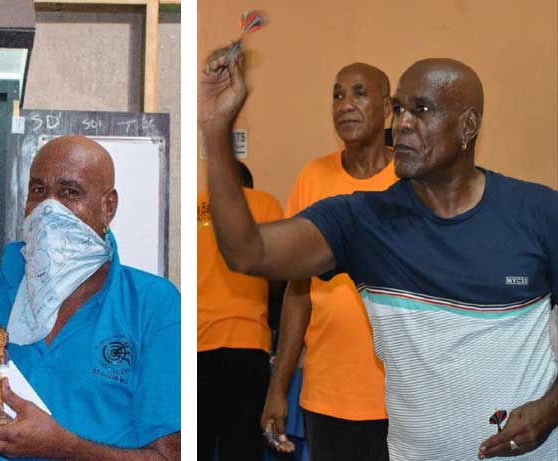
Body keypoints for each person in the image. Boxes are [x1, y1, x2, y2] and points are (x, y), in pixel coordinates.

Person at [199, 48, 558, 460]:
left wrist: (549, 409)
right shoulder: (364, 221)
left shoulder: (538, 214)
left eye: (421, 110)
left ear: (468, 125)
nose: (402, 124)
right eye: (401, 109)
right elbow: (248, 253)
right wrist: (215, 128)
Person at [0, 135, 181, 461]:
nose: (48, 208)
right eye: (38, 190)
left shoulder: (154, 306)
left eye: (70, 193)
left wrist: (65, 448)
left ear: (108, 206)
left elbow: (170, 456)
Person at [260, 63, 397, 461]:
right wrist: (278, 387)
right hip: (327, 396)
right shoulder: (313, 178)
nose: (345, 105)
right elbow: (297, 291)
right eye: (337, 95)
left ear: (387, 107)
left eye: (359, 93)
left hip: (402, 398)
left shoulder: (410, 182)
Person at [198, 162, 284, 461]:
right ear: (248, 185)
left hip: (196, 346)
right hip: (247, 343)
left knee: (199, 446)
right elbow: (279, 273)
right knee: (242, 447)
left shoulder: (195, 206)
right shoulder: (265, 203)